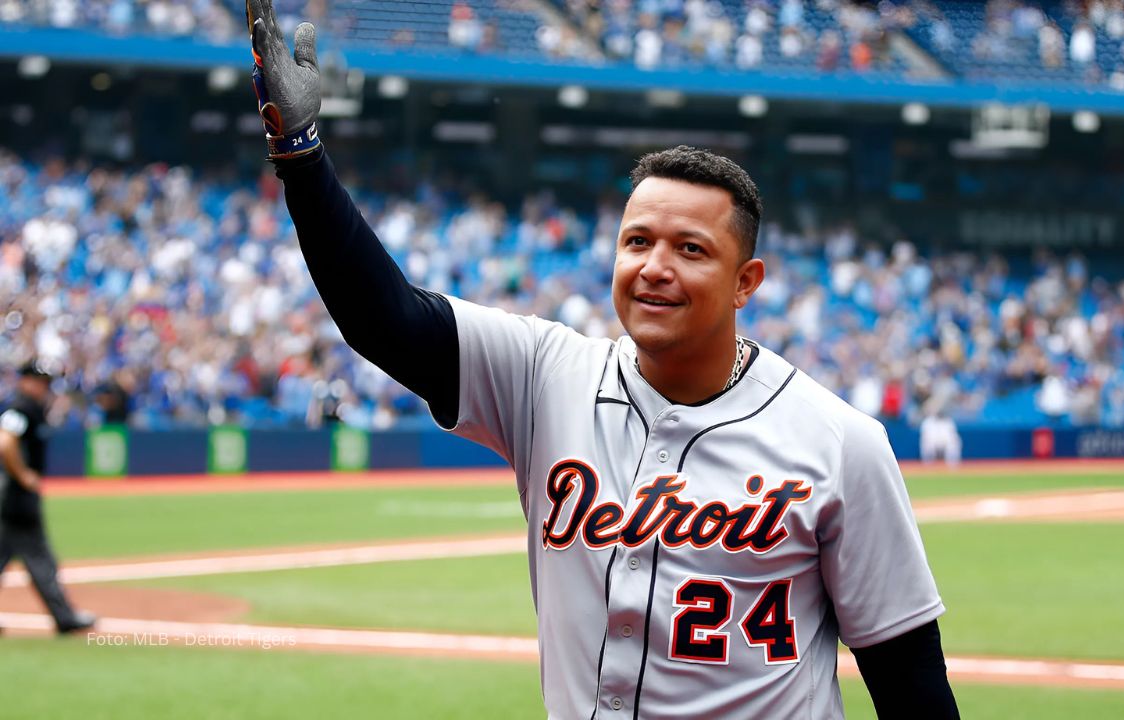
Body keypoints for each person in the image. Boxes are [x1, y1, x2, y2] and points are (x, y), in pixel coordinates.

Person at [244, 2, 959, 716]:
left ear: (748, 282)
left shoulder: (841, 446)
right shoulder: (545, 375)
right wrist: (302, 155)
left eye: (691, 249)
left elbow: (914, 690)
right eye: (637, 241)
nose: (653, 266)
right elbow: (387, 320)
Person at [0, 362, 97, 635]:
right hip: (15, 497)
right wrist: (23, 475)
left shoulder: (29, 408)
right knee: (40, 557)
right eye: (40, 381)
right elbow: (5, 442)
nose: (44, 387)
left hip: (11, 497)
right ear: (26, 381)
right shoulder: (21, 408)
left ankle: (64, 616)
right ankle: (64, 617)